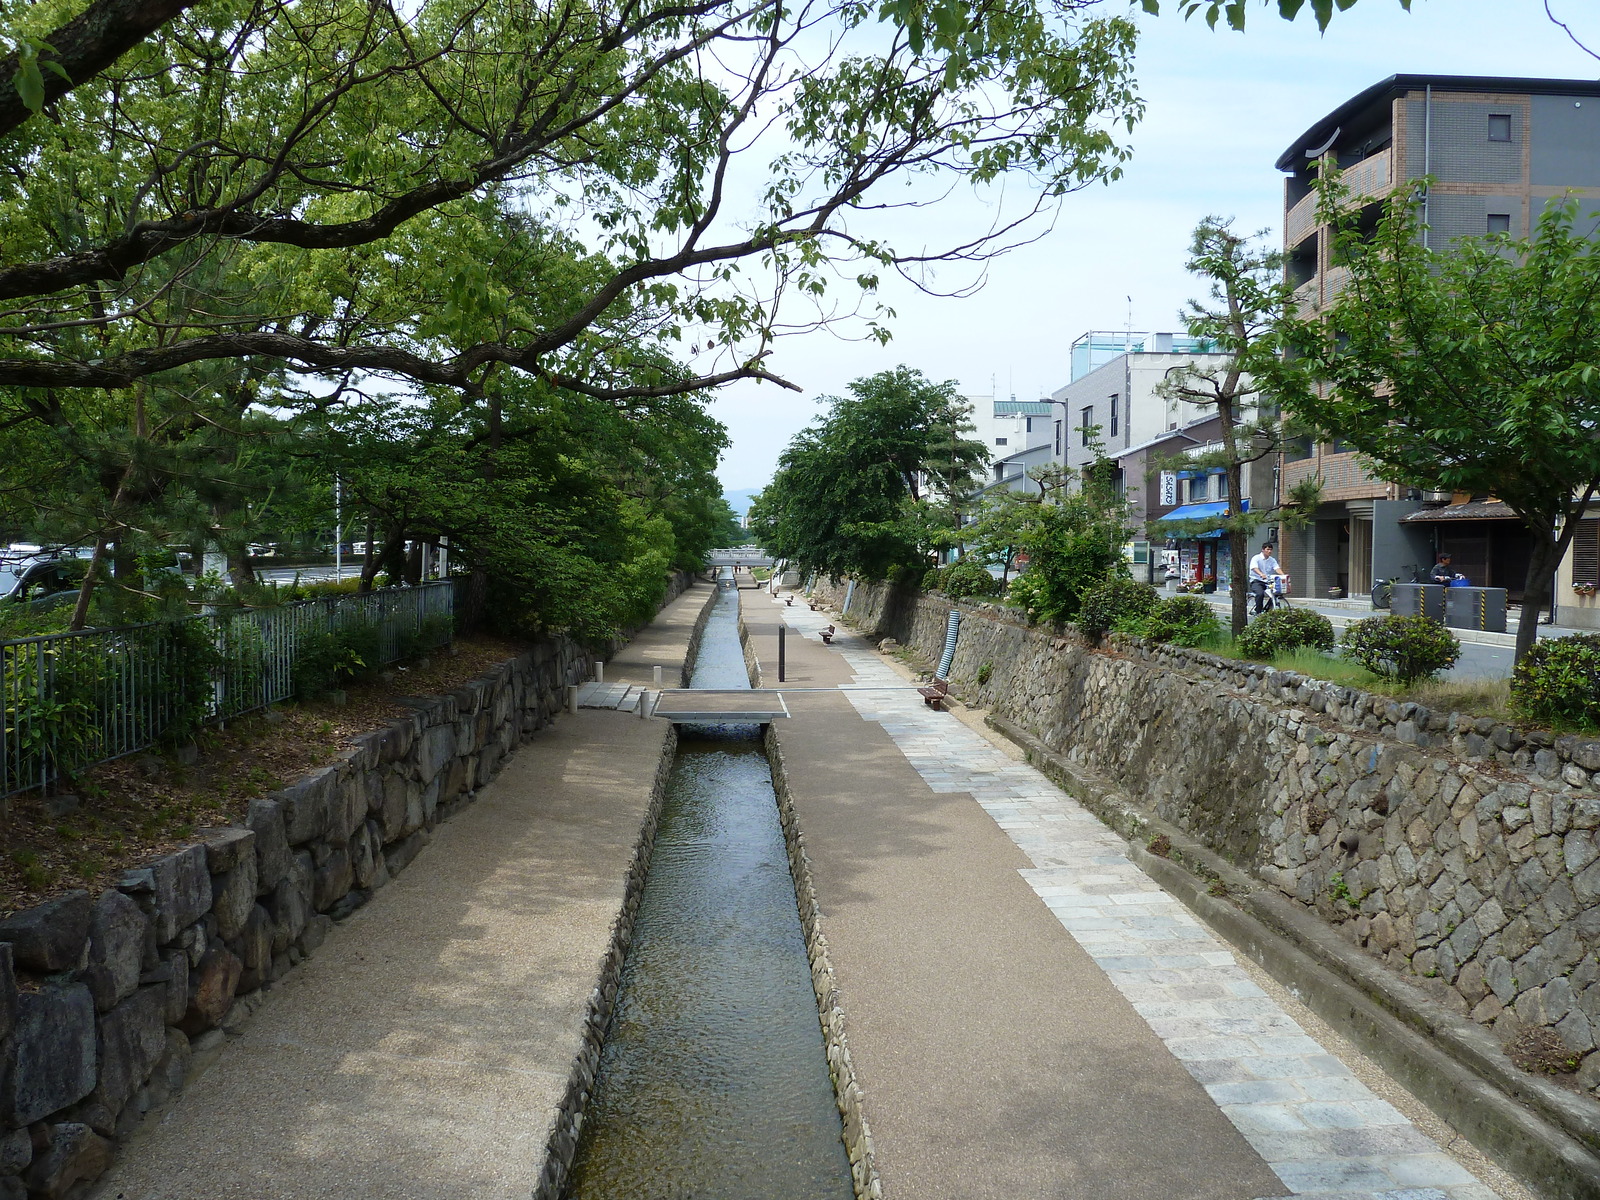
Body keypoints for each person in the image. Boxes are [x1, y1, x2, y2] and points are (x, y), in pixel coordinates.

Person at [1248, 541, 1280, 615]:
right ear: (1263, 550)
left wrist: (1284, 576)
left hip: (1268, 582)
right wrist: (1261, 574)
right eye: (1268, 549)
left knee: (1276, 593)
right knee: (1260, 594)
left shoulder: (1272, 560)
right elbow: (1254, 568)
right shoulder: (1256, 558)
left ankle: (1268, 609)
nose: (1269, 551)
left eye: (1271, 549)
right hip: (1256, 581)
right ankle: (1258, 611)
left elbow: (1277, 568)